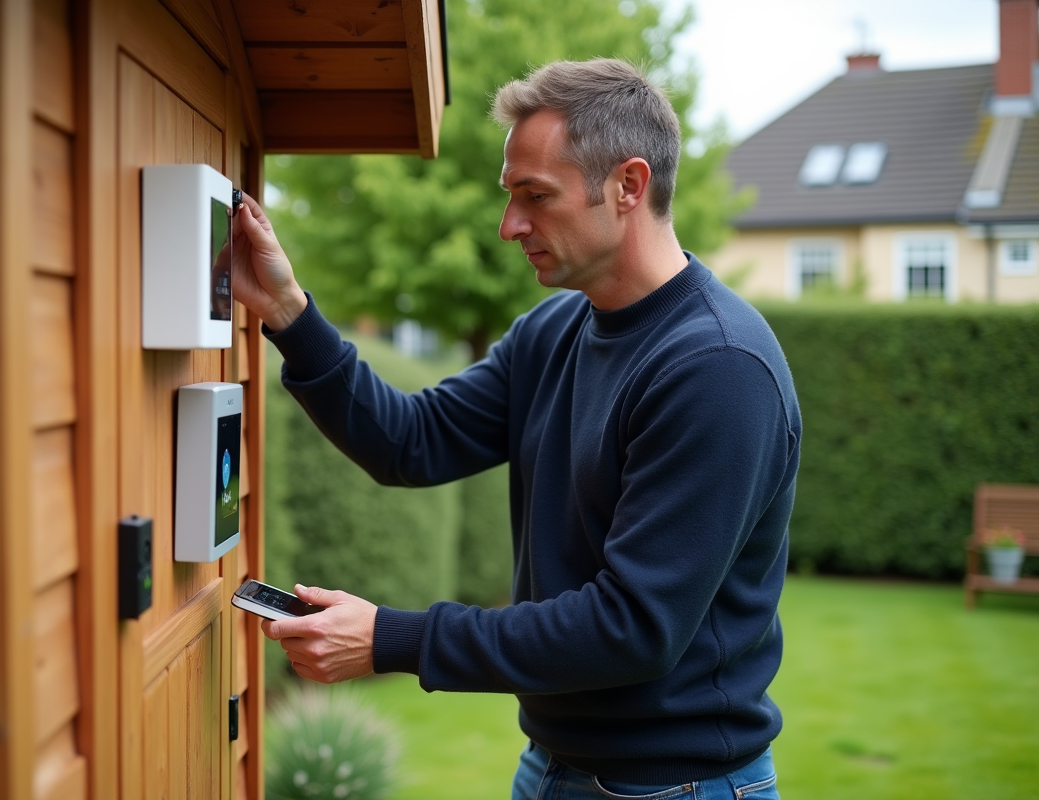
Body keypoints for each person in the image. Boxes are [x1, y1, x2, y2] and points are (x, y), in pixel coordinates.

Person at [231, 59, 799, 800]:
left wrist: (393, 638)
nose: (510, 227)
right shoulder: (555, 329)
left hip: (675, 788)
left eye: (536, 197)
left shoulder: (717, 368)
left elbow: (631, 626)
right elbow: (411, 439)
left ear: (629, 185)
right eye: (510, 197)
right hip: (553, 769)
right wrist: (287, 313)